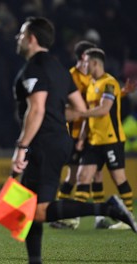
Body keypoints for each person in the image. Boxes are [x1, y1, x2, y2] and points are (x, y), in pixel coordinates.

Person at [11, 16, 137, 264]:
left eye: (22, 34)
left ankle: (107, 208)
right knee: (25, 208)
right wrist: (55, 114)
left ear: (32, 39)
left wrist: (21, 147)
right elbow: (79, 108)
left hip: (43, 143)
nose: (18, 38)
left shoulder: (34, 68)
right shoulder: (59, 69)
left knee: (36, 210)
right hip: (58, 140)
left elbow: (35, 110)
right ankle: (34, 262)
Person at [50, 40, 108, 230]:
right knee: (73, 175)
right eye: (90, 58)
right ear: (84, 58)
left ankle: (99, 217)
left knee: (96, 174)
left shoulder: (95, 78)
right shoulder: (71, 77)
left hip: (94, 132)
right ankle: (63, 214)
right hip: (76, 133)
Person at [76, 47, 135, 230]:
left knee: (118, 178)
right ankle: (77, 217)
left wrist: (80, 113)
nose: (83, 65)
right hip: (94, 140)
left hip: (111, 140)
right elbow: (89, 114)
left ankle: (129, 217)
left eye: (85, 62)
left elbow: (104, 109)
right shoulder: (91, 84)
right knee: (84, 176)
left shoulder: (109, 82)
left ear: (94, 63)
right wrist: (82, 136)